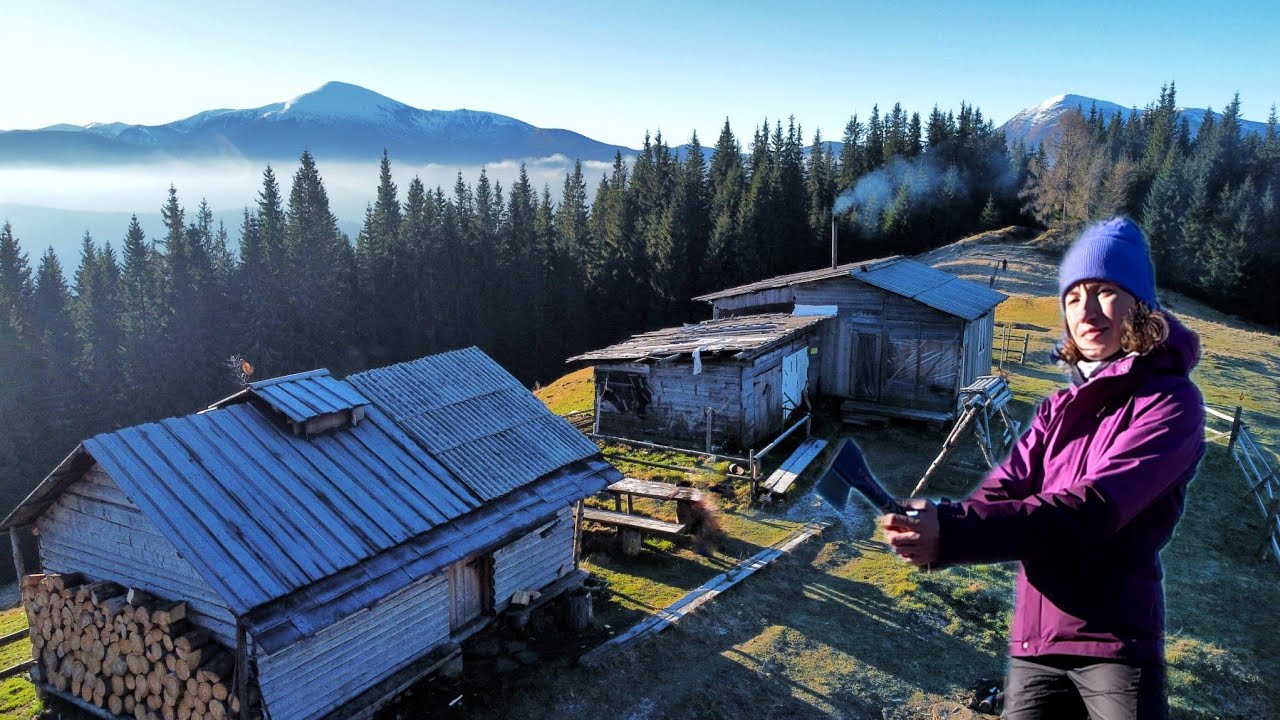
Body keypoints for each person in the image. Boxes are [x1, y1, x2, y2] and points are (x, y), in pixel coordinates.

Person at [882, 217, 1205, 719]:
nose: (1086, 311)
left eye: (1105, 291)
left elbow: (1093, 509)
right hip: (1037, 643)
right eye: (1074, 297)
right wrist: (934, 527)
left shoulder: (1170, 403)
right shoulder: (1057, 409)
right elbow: (1002, 494)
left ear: (1140, 304)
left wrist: (952, 530)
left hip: (1117, 646)